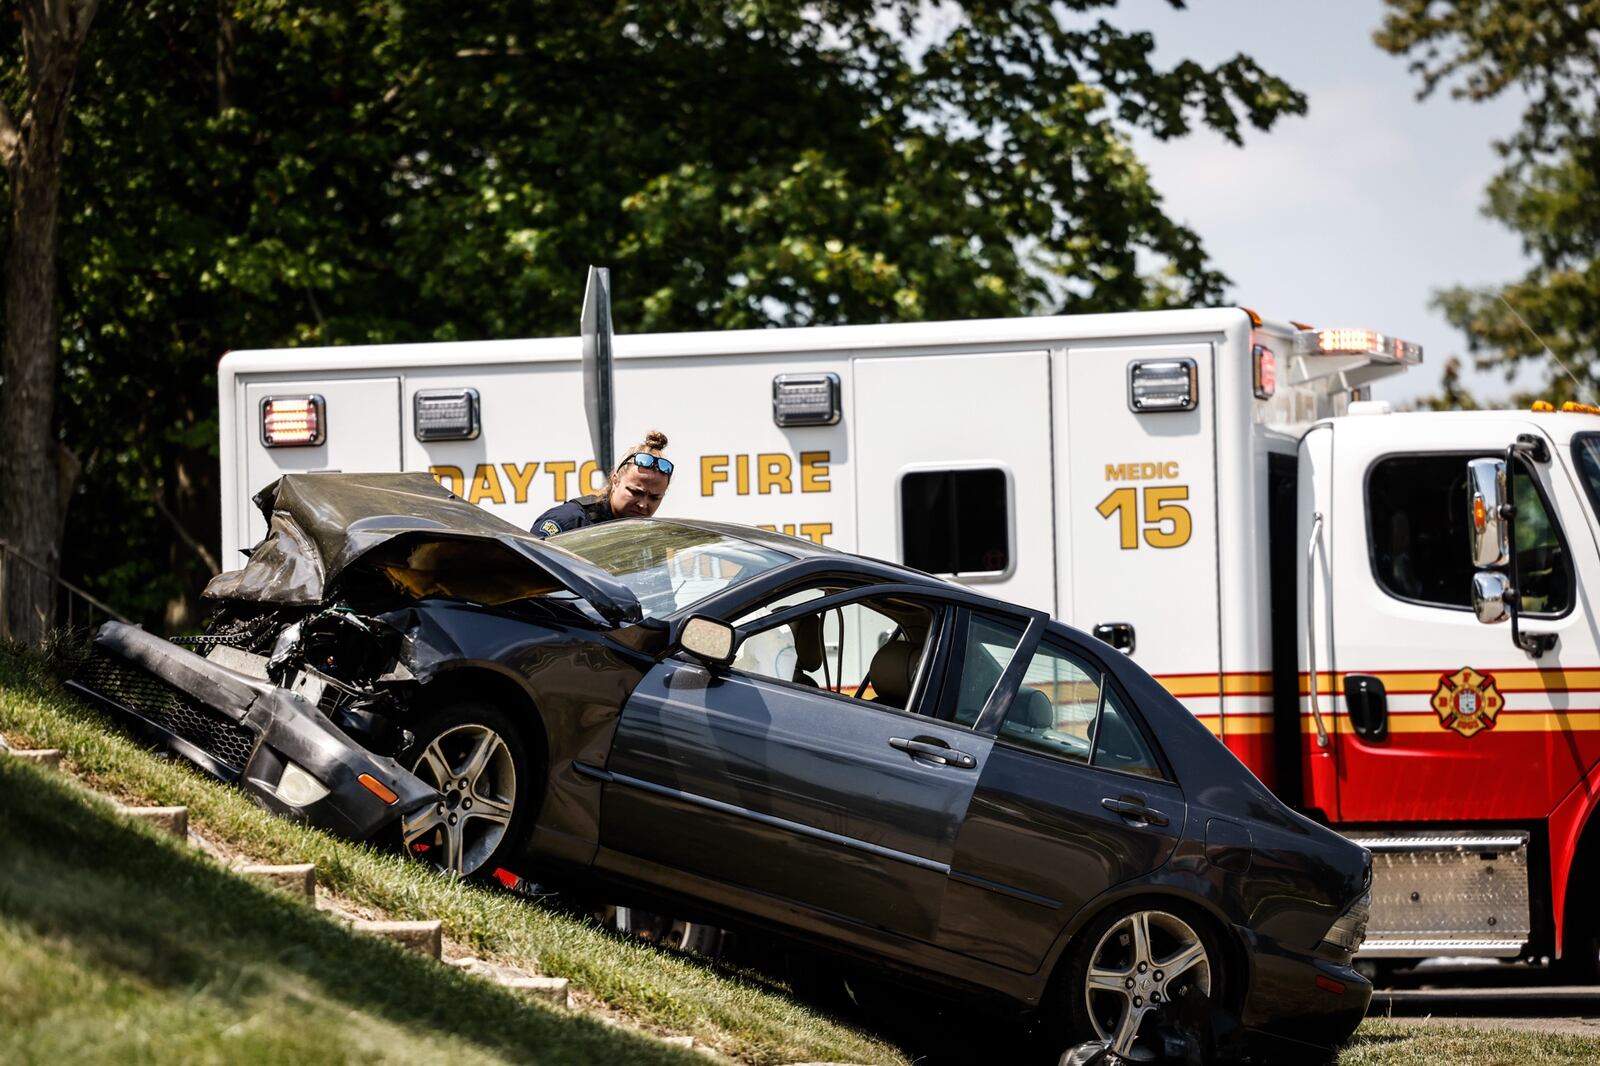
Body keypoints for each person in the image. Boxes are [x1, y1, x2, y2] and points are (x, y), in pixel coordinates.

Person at [530, 429, 673, 538]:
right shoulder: (568, 522)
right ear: (615, 480)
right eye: (636, 492)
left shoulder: (650, 538)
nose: (643, 504)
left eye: (655, 498)